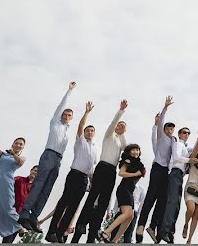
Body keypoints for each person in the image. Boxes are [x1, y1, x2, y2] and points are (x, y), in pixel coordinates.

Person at [18, 81, 76, 231]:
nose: (66, 116)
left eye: (69, 115)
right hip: (49, 154)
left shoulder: (68, 129)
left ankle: (34, 216)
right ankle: (24, 213)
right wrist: (69, 91)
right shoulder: (55, 122)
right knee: (39, 184)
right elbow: (62, 105)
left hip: (58, 159)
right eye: (65, 114)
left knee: (47, 188)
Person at [72, 99, 129, 243]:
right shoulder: (109, 135)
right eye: (119, 126)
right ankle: (80, 226)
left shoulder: (120, 140)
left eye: (123, 127)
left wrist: (123, 133)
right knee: (92, 197)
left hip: (112, 171)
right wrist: (121, 112)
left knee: (104, 201)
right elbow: (113, 123)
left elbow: (126, 149)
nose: (120, 127)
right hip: (102, 167)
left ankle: (95, 230)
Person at [47, 101, 99, 242]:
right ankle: (51, 231)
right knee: (64, 202)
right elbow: (81, 126)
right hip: (74, 175)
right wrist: (86, 113)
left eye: (92, 130)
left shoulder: (94, 148)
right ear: (84, 133)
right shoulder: (80, 141)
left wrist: (92, 182)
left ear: (94, 133)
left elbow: (91, 168)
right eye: (87, 130)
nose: (89, 132)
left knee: (73, 208)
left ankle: (59, 234)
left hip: (84, 179)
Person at [136, 99, 175, 243]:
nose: (170, 131)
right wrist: (165, 107)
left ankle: (153, 227)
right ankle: (140, 225)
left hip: (166, 172)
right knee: (151, 197)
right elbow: (160, 123)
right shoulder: (162, 137)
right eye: (168, 129)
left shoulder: (173, 141)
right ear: (164, 129)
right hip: (157, 169)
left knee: (163, 200)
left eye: (172, 129)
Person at [100, 144, 146, 244]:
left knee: (130, 216)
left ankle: (115, 240)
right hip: (124, 189)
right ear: (129, 152)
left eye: (137, 150)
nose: (135, 152)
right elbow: (121, 173)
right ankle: (107, 232)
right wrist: (135, 174)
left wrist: (139, 172)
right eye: (133, 150)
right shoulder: (127, 161)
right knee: (126, 213)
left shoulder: (138, 164)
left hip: (130, 190)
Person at [159, 122, 195, 244]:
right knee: (172, 202)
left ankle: (170, 232)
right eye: (184, 132)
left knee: (177, 205)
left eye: (188, 133)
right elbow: (176, 157)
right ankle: (164, 230)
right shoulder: (177, 143)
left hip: (180, 176)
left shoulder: (185, 146)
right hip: (174, 173)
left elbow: (196, 148)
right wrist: (189, 160)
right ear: (179, 134)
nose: (186, 134)